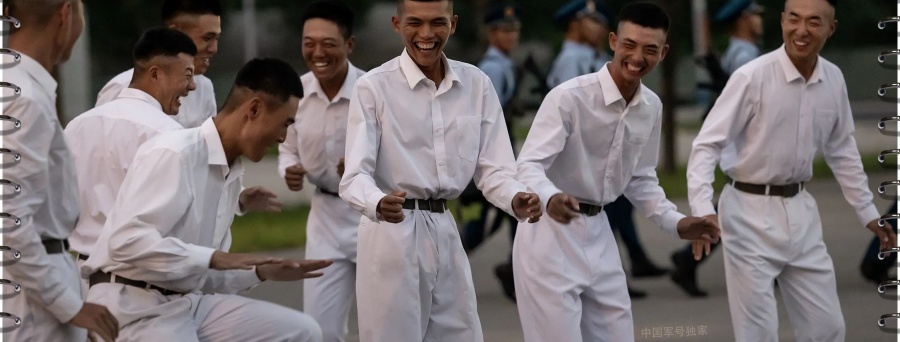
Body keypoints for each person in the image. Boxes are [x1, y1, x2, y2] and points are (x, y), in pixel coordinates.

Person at [686, 0, 897, 341]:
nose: (802, 30)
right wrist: (701, 210)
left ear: (832, 28)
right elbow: (706, 145)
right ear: (782, 20)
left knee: (827, 327)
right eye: (794, 19)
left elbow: (842, 150)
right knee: (757, 331)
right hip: (746, 211)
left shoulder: (833, 78)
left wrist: (868, 213)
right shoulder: (751, 77)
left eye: (814, 22)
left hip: (801, 211)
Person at [512, 3, 722, 341]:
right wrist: (550, 198)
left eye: (650, 49)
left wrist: (677, 222)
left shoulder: (651, 106)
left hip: (600, 234)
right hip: (548, 237)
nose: (637, 57)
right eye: (629, 44)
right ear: (613, 41)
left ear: (663, 52)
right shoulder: (569, 98)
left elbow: (641, 179)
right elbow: (529, 164)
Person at [81, 58, 330, 341]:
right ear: (255, 108)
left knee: (303, 331)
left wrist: (261, 271)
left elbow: (201, 271)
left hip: (186, 304)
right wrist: (217, 258)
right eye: (284, 124)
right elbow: (126, 242)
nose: (284, 137)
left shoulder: (231, 173)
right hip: (132, 307)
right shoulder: (175, 152)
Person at [339, 0, 543, 340]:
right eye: (415, 22)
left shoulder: (476, 84)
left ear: (454, 23)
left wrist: (515, 197)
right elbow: (354, 176)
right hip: (392, 232)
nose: (426, 34)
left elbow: (494, 169)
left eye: (437, 22)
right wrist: (377, 202)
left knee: (462, 332)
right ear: (396, 23)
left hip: (446, 229)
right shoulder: (374, 87)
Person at [2, 1, 120, 341]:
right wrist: (70, 305)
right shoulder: (23, 98)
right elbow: (9, 221)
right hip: (33, 300)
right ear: (66, 14)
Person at [550, 0, 669, 299]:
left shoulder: (598, 57)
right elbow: (578, 107)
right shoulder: (571, 64)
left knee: (615, 209)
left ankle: (626, 264)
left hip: (604, 155)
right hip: (581, 159)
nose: (598, 27)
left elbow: (643, 177)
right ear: (574, 24)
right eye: (590, 21)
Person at [277, 1, 364, 341]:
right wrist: (290, 170)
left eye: (328, 44)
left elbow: (398, 153)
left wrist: (363, 167)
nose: (318, 53)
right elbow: (286, 148)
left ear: (349, 45)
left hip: (372, 218)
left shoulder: (371, 92)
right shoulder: (296, 94)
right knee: (319, 326)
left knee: (386, 320)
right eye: (309, 43)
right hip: (325, 219)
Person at [671, 0, 766, 298]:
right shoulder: (745, 55)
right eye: (754, 16)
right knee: (744, 208)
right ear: (742, 20)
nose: (759, 22)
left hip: (743, 142)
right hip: (745, 143)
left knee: (744, 210)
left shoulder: (741, 52)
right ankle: (687, 261)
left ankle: (688, 260)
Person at [463, 2, 522, 302]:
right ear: (491, 33)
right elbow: (484, 118)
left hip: (501, 149)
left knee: (507, 215)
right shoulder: (492, 69)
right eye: (504, 30)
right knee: (487, 219)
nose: (511, 36)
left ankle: (514, 269)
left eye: (514, 30)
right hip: (491, 154)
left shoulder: (503, 65)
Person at [96, 0, 221, 128]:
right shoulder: (121, 88)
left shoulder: (205, 87)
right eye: (207, 38)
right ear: (176, 32)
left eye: (217, 38)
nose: (214, 49)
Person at [546, 0, 611, 90]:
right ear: (575, 23)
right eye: (594, 20)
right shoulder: (571, 58)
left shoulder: (600, 57)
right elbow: (571, 101)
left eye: (604, 24)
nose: (600, 28)